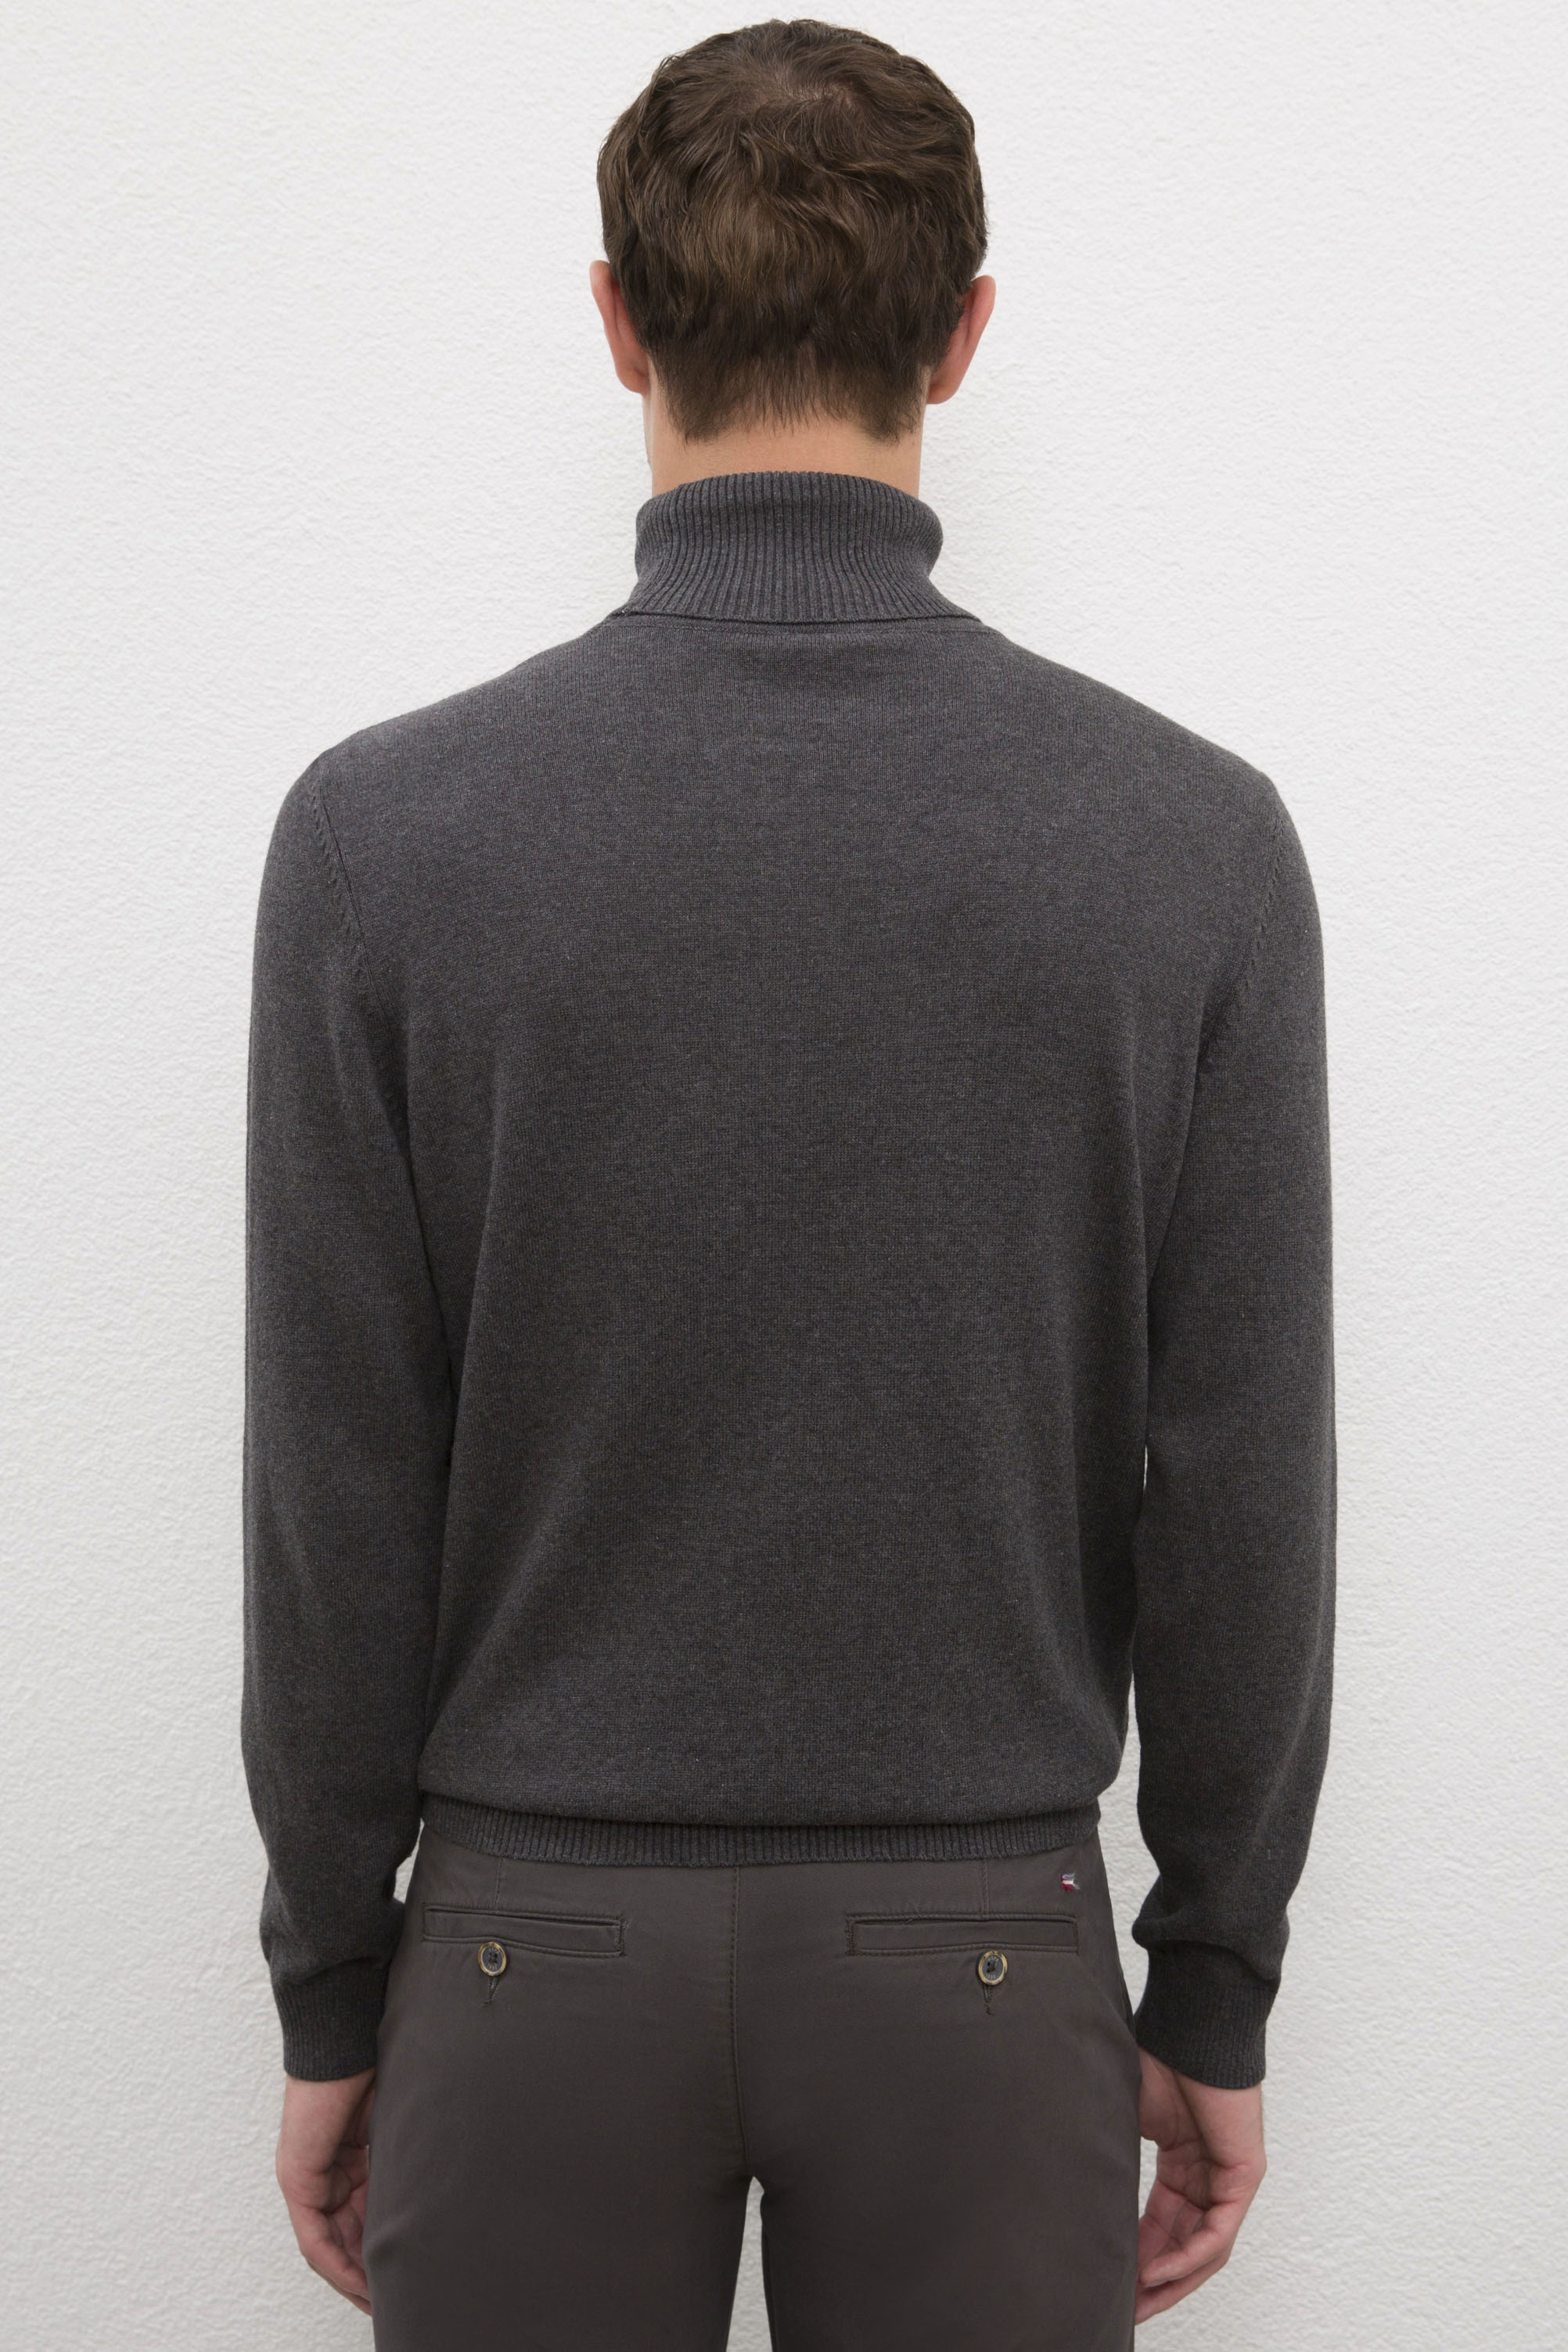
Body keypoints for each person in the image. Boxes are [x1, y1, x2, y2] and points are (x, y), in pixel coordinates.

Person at [243, 20, 1335, 2349]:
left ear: (617, 323)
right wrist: (1213, 1978)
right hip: (984, 1954)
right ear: (961, 335)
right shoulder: (1191, 843)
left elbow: (340, 1483)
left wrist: (334, 1977)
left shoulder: (382, 838)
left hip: (525, 1959)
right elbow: (1240, 1483)